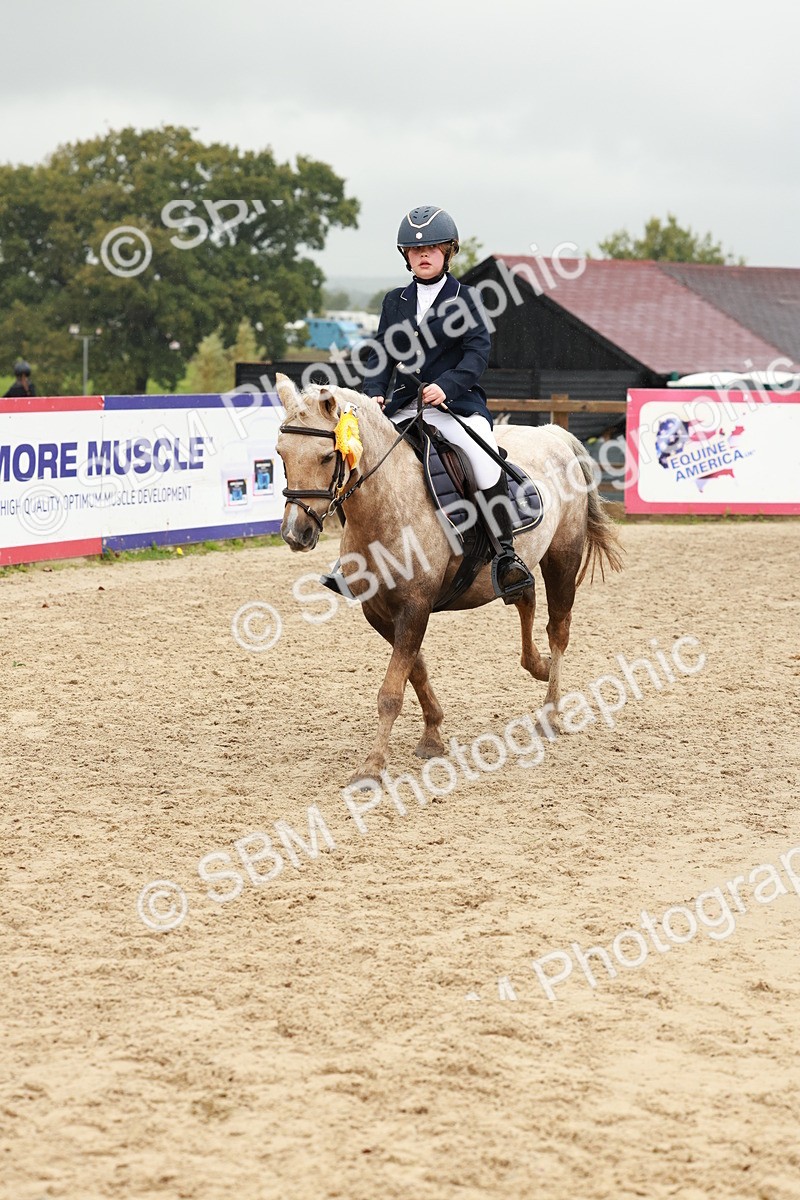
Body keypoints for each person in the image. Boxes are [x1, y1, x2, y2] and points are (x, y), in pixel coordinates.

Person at [360, 205, 533, 602]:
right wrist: (373, 390)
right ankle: (358, 555)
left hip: (456, 405)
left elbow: (476, 355)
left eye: (434, 248)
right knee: (367, 459)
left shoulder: (467, 298)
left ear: (448, 252)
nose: (424, 255)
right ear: (405, 255)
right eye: (416, 250)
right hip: (405, 406)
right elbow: (382, 355)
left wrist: (446, 387)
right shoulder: (395, 301)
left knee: (484, 460)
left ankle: (506, 556)